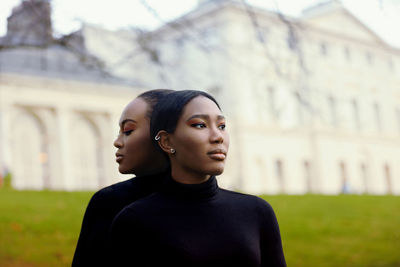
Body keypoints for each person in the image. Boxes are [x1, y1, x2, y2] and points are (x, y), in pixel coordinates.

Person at [110, 90, 286, 267]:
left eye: (222, 126)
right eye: (200, 125)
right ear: (166, 142)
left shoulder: (257, 211)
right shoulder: (134, 220)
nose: (217, 137)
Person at [72, 89, 173, 267]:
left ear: (165, 137)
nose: (117, 142)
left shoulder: (234, 208)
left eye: (128, 131)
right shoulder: (108, 203)